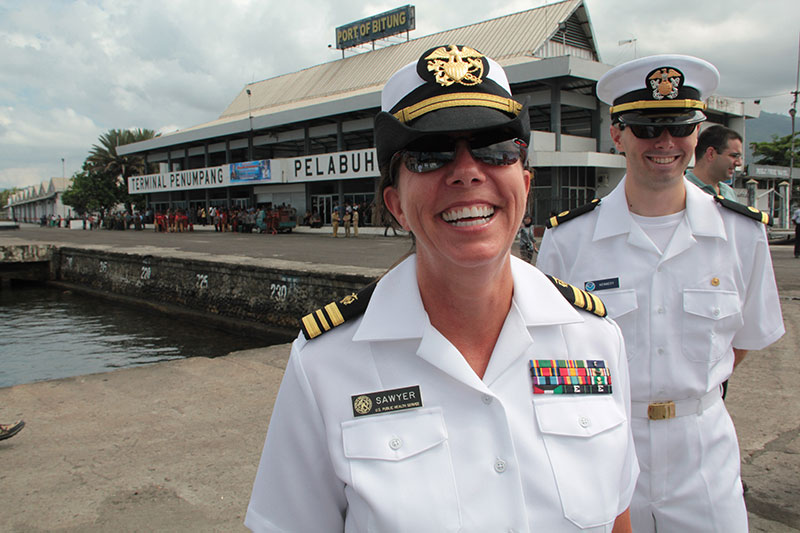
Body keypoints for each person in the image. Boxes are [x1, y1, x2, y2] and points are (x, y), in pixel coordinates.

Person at [246, 44, 637, 532]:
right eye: (431, 155)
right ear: (396, 205)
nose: (468, 170)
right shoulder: (325, 363)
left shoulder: (595, 340)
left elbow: (619, 516)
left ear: (525, 182)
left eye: (496, 149)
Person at [537, 55, 785, 533]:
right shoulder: (567, 241)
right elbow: (551, 357)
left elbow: (745, 339)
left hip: (703, 451)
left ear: (697, 134)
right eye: (647, 129)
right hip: (605, 443)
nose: (666, 143)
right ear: (618, 134)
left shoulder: (741, 235)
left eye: (679, 126)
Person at [685, 124, 742, 200]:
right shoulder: (680, 191)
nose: (739, 163)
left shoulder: (729, 193)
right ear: (711, 154)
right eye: (734, 156)